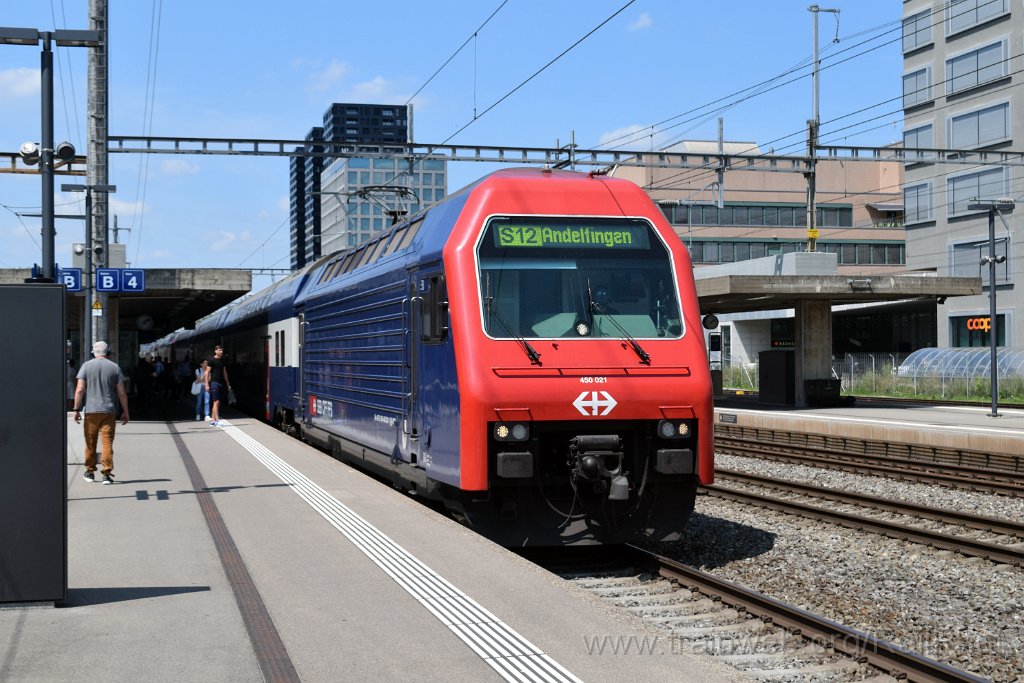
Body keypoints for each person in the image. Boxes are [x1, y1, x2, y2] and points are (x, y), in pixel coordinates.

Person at [73, 341, 130, 485]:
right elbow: (122, 392)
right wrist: (126, 411)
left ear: (93, 352)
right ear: (108, 352)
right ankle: (106, 474)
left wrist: (76, 409)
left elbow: (79, 389)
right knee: (107, 443)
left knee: (90, 443)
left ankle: (90, 472)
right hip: (108, 411)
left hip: (91, 411)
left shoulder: (86, 366)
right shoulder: (115, 367)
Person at [205, 344, 232, 427]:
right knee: (216, 401)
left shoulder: (222, 360)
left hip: (221, 383)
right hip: (214, 382)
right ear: (215, 351)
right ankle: (217, 420)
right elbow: (207, 373)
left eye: (222, 350)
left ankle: (213, 421)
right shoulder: (211, 361)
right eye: (219, 350)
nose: (221, 351)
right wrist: (207, 384)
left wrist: (228, 383)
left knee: (217, 402)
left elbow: (225, 373)